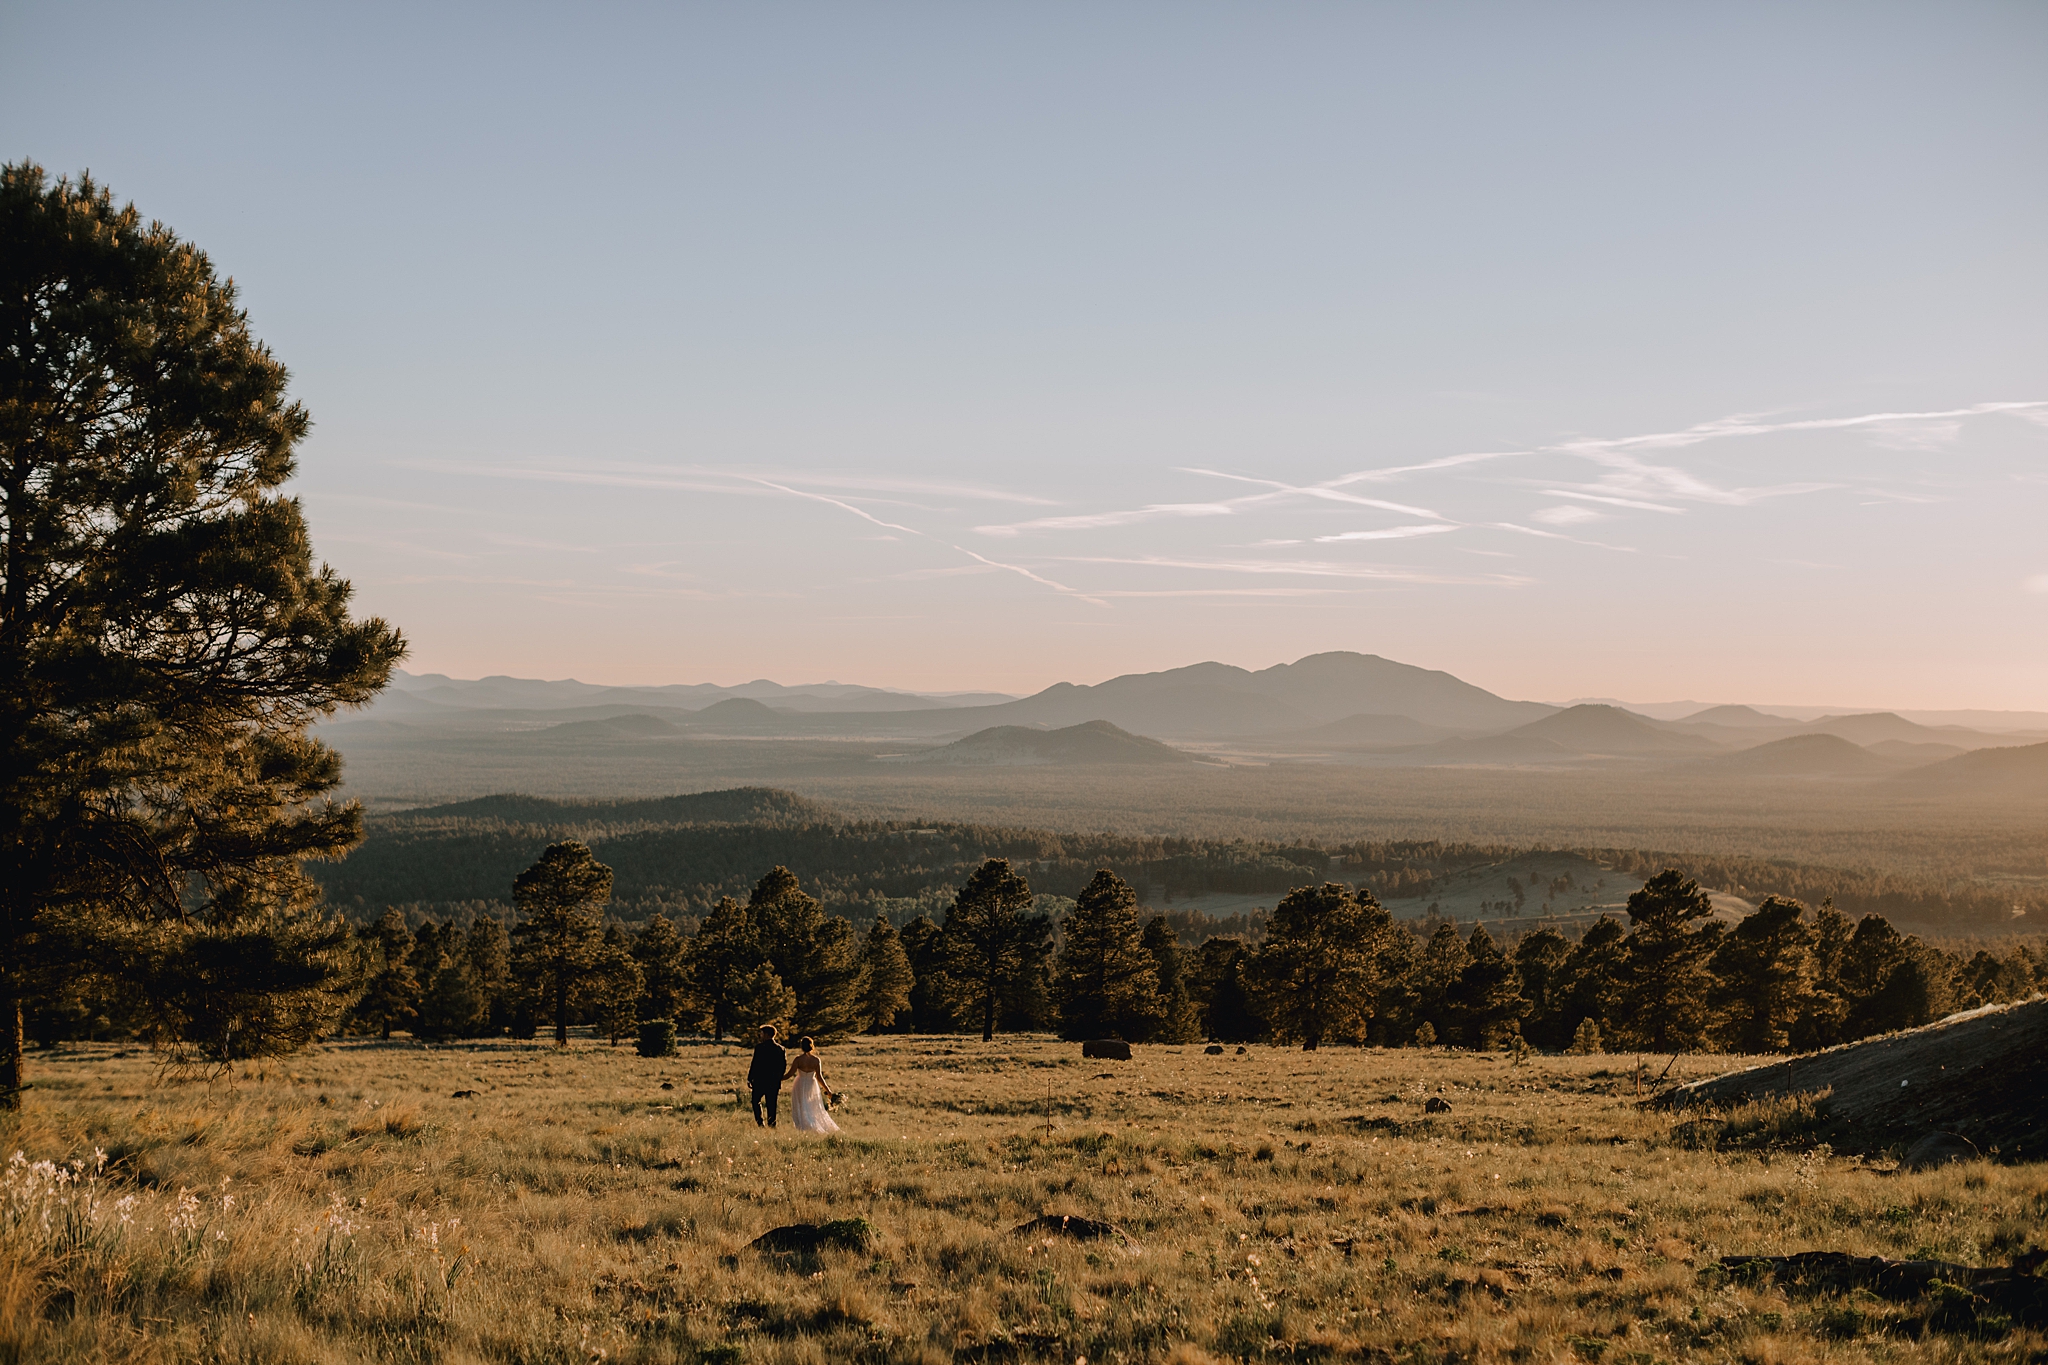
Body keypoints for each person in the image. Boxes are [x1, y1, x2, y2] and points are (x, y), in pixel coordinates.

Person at [783, 1036, 841, 1133]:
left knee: (801, 1105)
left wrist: (778, 1079)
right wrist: (828, 1090)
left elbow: (789, 1074)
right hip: (811, 1084)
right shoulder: (816, 1060)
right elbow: (819, 1077)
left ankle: (804, 1126)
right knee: (811, 1106)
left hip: (800, 1083)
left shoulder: (798, 1059)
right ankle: (810, 1124)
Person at [747, 1024, 787, 1128]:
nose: (760, 1035)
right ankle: (772, 1125)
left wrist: (750, 1078)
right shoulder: (780, 1049)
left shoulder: (760, 1048)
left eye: (761, 1033)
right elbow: (783, 1066)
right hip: (773, 1081)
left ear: (767, 1034)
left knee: (755, 1101)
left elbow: (755, 1064)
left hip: (760, 1081)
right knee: (772, 1104)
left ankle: (760, 1123)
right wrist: (778, 1078)